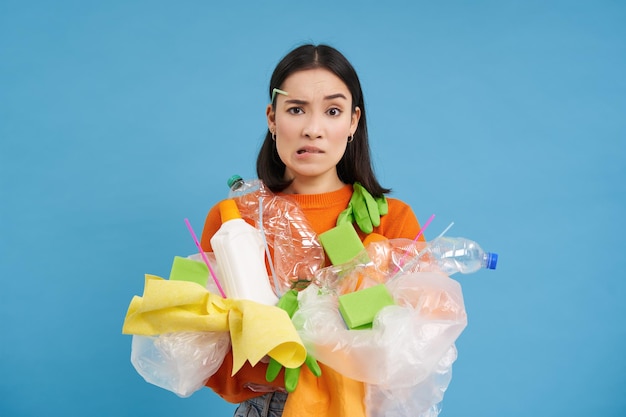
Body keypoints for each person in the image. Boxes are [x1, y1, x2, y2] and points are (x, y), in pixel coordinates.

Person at [200, 44, 424, 417]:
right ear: (272, 118)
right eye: (296, 109)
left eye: (333, 111)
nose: (312, 129)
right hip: (269, 404)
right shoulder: (234, 219)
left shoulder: (391, 221)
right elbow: (205, 346)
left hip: (361, 406)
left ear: (353, 122)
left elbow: (418, 345)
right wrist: (274, 355)